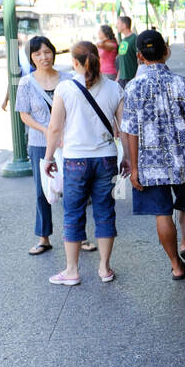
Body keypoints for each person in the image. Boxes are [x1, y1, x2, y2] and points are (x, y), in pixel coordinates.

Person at [120, 29, 185, 281]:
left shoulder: (132, 88)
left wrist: (134, 168)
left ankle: (176, 266)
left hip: (150, 165)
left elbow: (131, 132)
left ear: (139, 56)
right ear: (167, 51)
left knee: (162, 213)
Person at [44, 41, 125, 286]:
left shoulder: (65, 88)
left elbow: (55, 127)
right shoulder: (114, 88)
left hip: (75, 159)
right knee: (104, 210)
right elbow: (124, 129)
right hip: (106, 158)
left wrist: (48, 158)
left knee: (73, 212)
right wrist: (130, 159)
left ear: (76, 63)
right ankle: (105, 267)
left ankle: (71, 270)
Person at [14, 35, 60, 255]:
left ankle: (81, 237)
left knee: (75, 190)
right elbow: (24, 115)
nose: (44, 57)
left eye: (47, 52)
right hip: (39, 143)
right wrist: (46, 130)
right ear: (31, 58)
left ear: (53, 52)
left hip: (68, 143)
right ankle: (44, 237)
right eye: (38, 54)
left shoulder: (68, 79)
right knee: (42, 191)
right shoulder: (26, 82)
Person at [116, 15, 138, 89]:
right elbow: (121, 61)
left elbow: (140, 60)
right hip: (122, 79)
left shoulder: (134, 39)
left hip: (132, 78)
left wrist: (136, 77)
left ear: (124, 25)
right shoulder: (123, 40)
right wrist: (118, 78)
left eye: (118, 23)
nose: (116, 25)